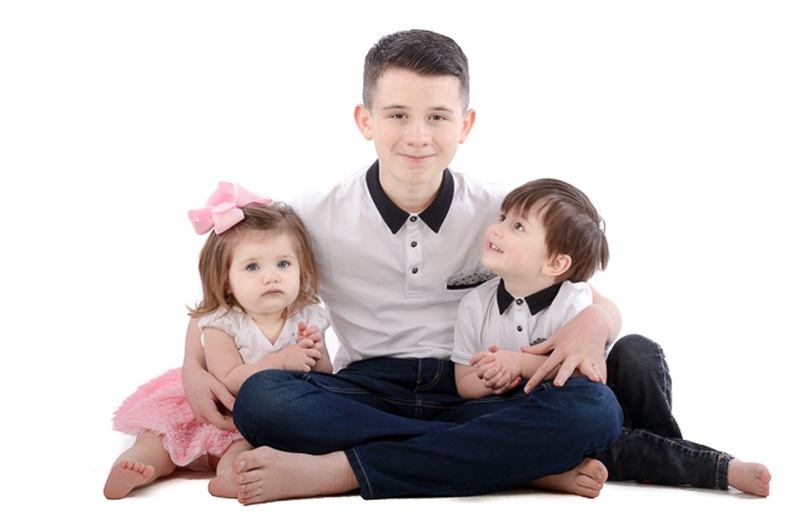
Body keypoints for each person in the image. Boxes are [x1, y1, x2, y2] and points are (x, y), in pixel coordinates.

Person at [185, 29, 624, 504]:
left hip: (476, 391)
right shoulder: (314, 213)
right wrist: (192, 365)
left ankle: (342, 470)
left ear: (466, 124)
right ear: (365, 119)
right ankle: (507, 461)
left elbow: (584, 296)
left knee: (595, 410)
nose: (418, 136)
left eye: (438, 116)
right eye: (398, 115)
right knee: (263, 400)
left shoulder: (504, 215)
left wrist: (597, 322)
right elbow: (226, 279)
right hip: (362, 392)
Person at [453, 178, 772, 497]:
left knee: (637, 349)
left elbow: (583, 376)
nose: (497, 229)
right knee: (580, 432)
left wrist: (518, 363)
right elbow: (463, 381)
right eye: (502, 218)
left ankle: (665, 447)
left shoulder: (573, 298)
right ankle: (701, 465)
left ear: (556, 263)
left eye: (518, 227)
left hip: (604, 399)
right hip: (557, 416)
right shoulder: (474, 304)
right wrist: (493, 377)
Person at [104, 183, 332, 499]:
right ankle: (136, 464)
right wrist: (281, 361)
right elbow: (227, 378)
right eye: (253, 266)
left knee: (247, 448)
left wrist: (314, 353)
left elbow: (324, 380)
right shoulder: (222, 322)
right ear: (225, 280)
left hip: (257, 419)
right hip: (218, 406)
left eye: (283, 264)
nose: (271, 276)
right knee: (161, 438)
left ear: (301, 267)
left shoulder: (306, 316)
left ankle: (231, 475)